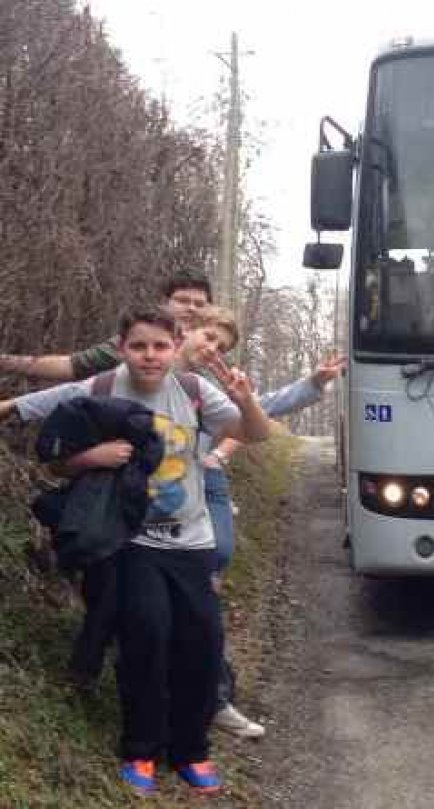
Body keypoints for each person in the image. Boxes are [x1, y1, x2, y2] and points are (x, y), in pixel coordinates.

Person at [0, 305, 271, 795]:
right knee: (147, 637)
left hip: (193, 539)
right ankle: (141, 750)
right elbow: (40, 420)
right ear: (122, 347)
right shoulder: (101, 388)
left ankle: (191, 751)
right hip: (133, 540)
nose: (150, 356)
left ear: (175, 347)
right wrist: (91, 457)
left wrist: (247, 403)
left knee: (202, 645)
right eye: (139, 346)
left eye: (160, 346)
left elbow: (256, 434)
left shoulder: (193, 391)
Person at [178, 306, 345, 739]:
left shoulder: (212, 382)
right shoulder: (140, 363)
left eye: (221, 345)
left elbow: (258, 411)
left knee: (211, 568)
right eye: (209, 337)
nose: (212, 349)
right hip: (155, 495)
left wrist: (312, 384)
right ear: (184, 326)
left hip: (199, 483)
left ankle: (212, 697)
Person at [0, 272, 213, 380]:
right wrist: (9, 363)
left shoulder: (215, 351)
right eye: (183, 301)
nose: (192, 309)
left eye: (199, 304)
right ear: (164, 302)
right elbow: (73, 365)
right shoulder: (139, 340)